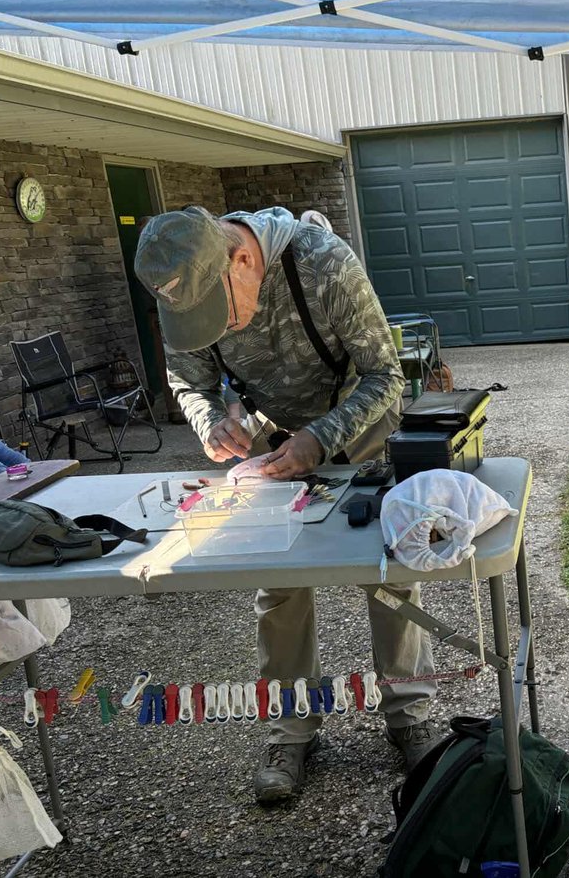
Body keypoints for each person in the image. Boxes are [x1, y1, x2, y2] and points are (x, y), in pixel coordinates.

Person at [133, 205, 441, 804]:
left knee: (389, 571)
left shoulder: (324, 264)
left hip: (357, 419)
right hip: (273, 437)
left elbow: (385, 376)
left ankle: (410, 716)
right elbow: (188, 380)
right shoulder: (188, 280)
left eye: (217, 315)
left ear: (243, 260)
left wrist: (321, 439)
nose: (215, 331)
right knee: (278, 583)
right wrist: (209, 421)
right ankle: (291, 728)